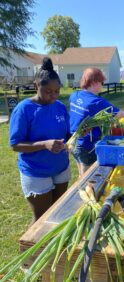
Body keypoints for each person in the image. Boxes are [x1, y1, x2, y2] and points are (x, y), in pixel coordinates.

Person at [9, 57, 71, 224]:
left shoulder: (59, 107)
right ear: (36, 86)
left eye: (57, 91)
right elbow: (15, 145)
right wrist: (44, 144)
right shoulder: (24, 110)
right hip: (36, 171)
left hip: (61, 168)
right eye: (48, 91)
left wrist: (77, 135)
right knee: (41, 219)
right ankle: (33, 248)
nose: (53, 96)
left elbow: (67, 134)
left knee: (58, 212)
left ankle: (54, 246)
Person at [69, 67, 124, 177]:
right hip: (86, 145)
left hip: (73, 142)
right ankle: (83, 192)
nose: (103, 84)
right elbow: (121, 113)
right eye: (102, 82)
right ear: (94, 82)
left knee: (81, 172)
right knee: (86, 177)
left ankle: (80, 188)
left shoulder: (74, 96)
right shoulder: (96, 102)